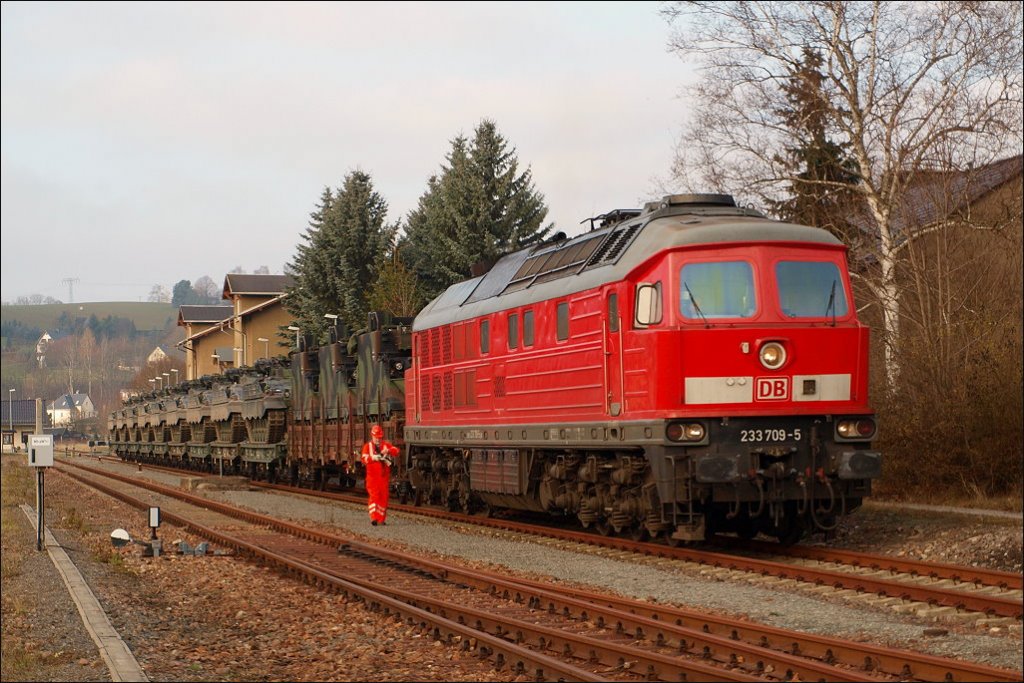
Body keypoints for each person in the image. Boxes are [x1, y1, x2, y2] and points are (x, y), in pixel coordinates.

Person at [360, 424, 398, 526]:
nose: (378, 439)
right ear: (372, 436)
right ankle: (374, 518)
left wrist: (388, 451)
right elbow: (364, 458)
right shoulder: (367, 447)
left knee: (383, 498)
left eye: (379, 437)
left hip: (383, 478)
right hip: (372, 478)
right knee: (374, 497)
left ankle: (381, 519)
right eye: (376, 437)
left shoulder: (385, 445)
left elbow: (396, 451)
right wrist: (374, 458)